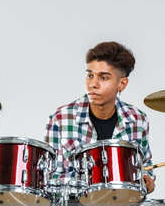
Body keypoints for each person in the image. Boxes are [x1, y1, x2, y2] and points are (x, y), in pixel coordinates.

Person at [44, 41, 155, 194]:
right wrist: (88, 184)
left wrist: (145, 177)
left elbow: (145, 165)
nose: (92, 84)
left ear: (121, 84)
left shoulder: (138, 119)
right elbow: (49, 178)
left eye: (103, 78)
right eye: (90, 75)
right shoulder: (60, 118)